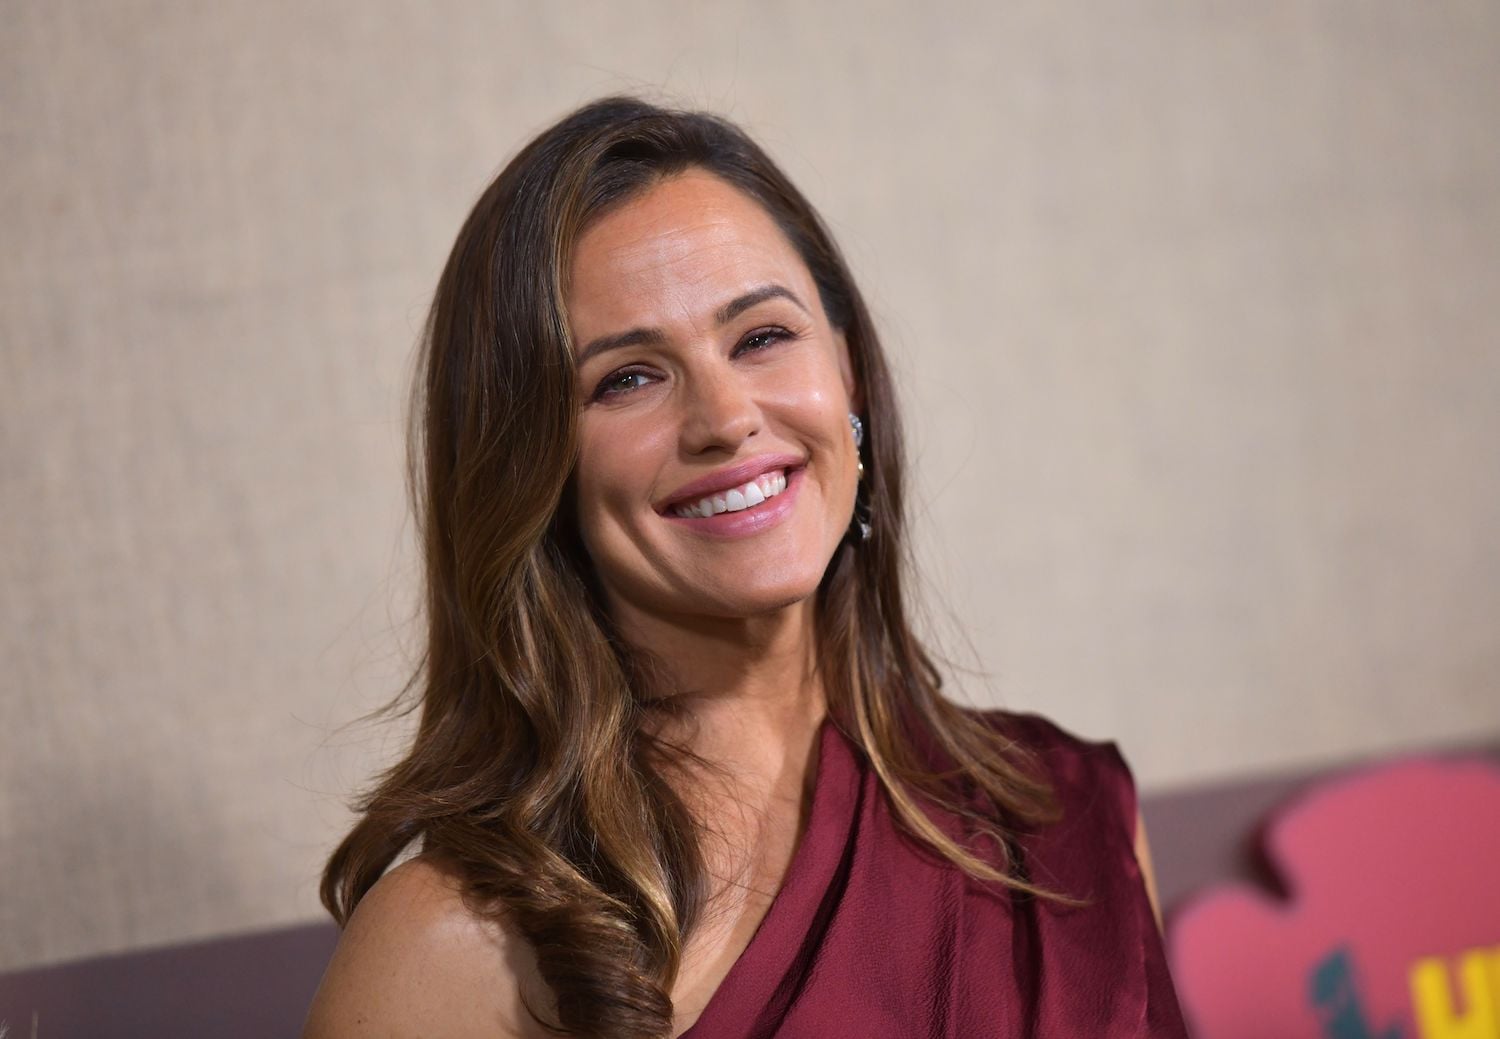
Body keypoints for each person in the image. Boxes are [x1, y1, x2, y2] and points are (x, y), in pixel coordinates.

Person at [303, 96, 1189, 1038]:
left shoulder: (1067, 810)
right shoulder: (449, 944)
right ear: (531, 469)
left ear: (847, 371)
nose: (725, 417)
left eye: (762, 337)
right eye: (627, 378)